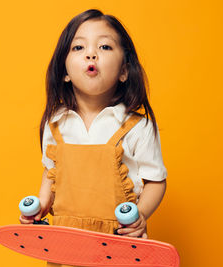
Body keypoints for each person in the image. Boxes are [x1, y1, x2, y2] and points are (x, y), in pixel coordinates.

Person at [19, 9, 167, 266]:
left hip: (119, 245)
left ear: (124, 71)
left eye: (105, 46)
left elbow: (156, 181)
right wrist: (42, 204)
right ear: (64, 71)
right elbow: (50, 171)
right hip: (66, 246)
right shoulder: (56, 124)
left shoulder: (136, 127)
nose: (91, 53)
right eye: (78, 47)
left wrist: (140, 216)